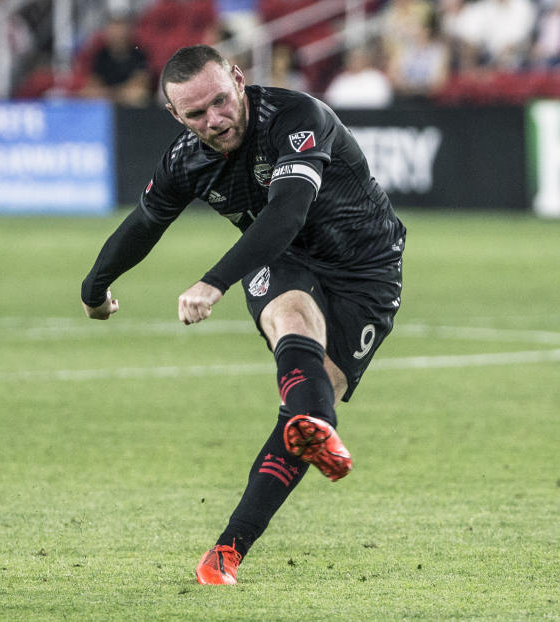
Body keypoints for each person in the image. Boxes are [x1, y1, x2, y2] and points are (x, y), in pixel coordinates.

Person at [80, 44, 406, 585]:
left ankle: (229, 544)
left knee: (315, 390)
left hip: (366, 270)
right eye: (196, 114)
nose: (214, 120)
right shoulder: (187, 158)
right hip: (283, 257)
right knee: (292, 324)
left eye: (220, 102)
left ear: (238, 78)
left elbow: (287, 210)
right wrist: (95, 287)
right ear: (175, 115)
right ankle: (309, 428)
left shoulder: (299, 117)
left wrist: (214, 282)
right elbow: (144, 224)